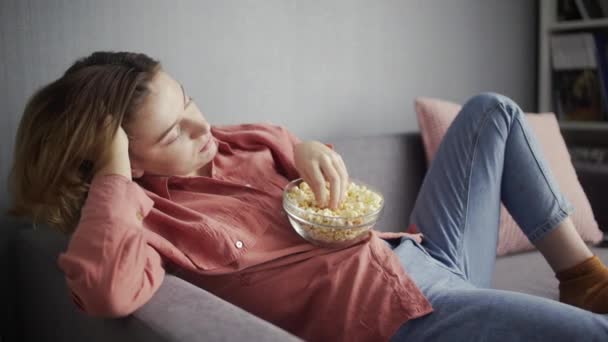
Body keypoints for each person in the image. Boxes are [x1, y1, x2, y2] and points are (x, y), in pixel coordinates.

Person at [8, 51, 608, 341]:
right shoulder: (148, 218)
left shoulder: (238, 141)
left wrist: (311, 150)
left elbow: (287, 143)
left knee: (489, 112)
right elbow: (106, 287)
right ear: (126, 158)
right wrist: (112, 170)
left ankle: (581, 273)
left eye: (187, 99)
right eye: (172, 133)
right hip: (404, 316)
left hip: (422, 254)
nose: (201, 127)